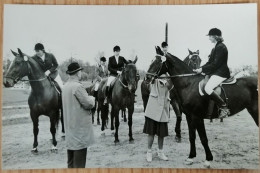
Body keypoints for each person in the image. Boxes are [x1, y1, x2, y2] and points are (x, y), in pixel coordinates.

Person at [62, 62, 95, 168]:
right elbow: (88, 104)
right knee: (79, 165)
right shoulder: (77, 87)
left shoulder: (65, 86)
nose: (81, 73)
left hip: (70, 130)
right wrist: (92, 99)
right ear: (77, 73)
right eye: (80, 71)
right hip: (79, 131)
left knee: (70, 163)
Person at [193, 28, 230, 118]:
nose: (209, 38)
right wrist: (201, 68)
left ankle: (224, 107)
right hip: (216, 72)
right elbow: (210, 62)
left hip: (221, 73)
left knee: (208, 88)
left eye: (210, 36)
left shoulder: (221, 47)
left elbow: (215, 64)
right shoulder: (215, 47)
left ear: (215, 36)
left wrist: (202, 70)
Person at [143, 74, 173, 162]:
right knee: (151, 133)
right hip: (153, 109)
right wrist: (155, 76)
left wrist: (168, 77)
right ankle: (149, 152)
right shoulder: (154, 79)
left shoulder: (169, 79)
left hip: (163, 110)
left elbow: (170, 86)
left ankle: (160, 152)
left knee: (161, 134)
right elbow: (148, 79)